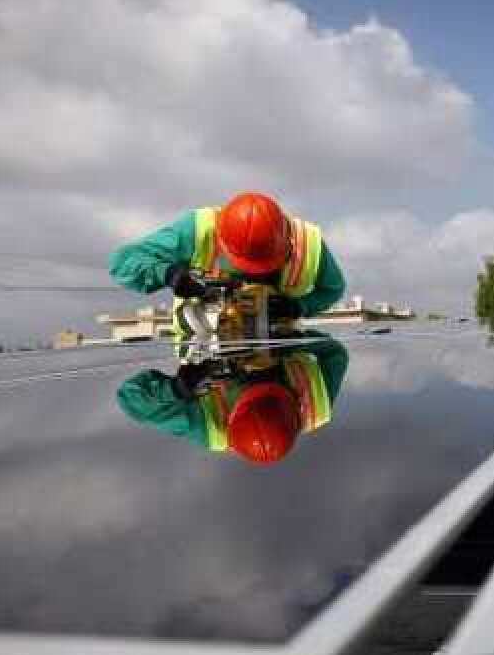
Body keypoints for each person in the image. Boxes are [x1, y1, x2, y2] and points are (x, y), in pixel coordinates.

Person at [116, 335, 349, 466]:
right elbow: (336, 352)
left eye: (251, 388)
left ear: (233, 416)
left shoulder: (207, 427)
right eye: (265, 382)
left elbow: (130, 400)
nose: (256, 377)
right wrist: (291, 339)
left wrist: (176, 389)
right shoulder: (316, 403)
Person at [109, 192, 345, 318]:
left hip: (282, 352)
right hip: (203, 352)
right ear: (223, 240)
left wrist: (299, 307)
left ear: (288, 241)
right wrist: (168, 273)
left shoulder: (309, 243)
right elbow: (122, 262)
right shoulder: (197, 230)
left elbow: (333, 289)